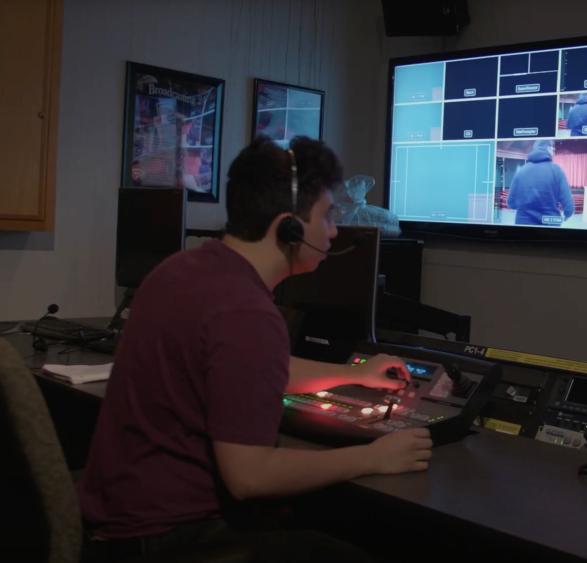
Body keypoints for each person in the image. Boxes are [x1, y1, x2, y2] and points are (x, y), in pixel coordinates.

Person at [78, 136, 431, 563]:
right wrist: (373, 456)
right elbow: (251, 475)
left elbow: (251, 369)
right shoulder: (246, 311)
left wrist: (354, 373)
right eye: (328, 215)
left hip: (115, 525)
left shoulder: (185, 270)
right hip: (167, 539)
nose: (335, 231)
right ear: (290, 227)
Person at [507, 139, 574, 226]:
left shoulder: (521, 171)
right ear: (547, 148)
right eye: (552, 147)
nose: (554, 150)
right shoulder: (557, 170)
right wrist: (568, 214)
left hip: (523, 224)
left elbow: (511, 203)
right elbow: (567, 201)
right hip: (549, 224)